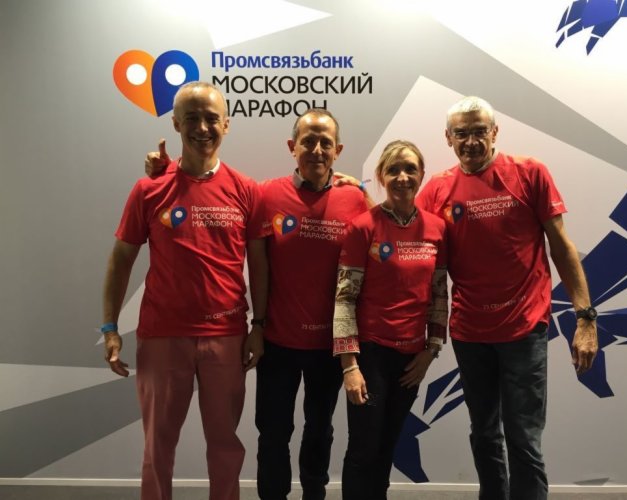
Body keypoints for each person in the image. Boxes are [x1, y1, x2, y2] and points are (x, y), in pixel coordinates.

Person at [144, 108, 370, 500]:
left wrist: (366, 191)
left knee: (320, 430)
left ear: (338, 150)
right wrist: (164, 172)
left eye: (326, 143)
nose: (317, 150)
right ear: (292, 146)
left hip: (329, 346)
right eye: (308, 141)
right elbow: (203, 187)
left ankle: (314, 494)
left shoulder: (355, 199)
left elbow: (376, 246)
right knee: (273, 432)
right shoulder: (265, 194)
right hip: (277, 342)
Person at [416, 96, 599, 500]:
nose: (471, 141)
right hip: (470, 332)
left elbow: (562, 247)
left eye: (479, 131)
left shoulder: (530, 173)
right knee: (483, 433)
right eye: (461, 133)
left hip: (524, 328)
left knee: (523, 437)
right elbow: (404, 233)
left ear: (495, 132)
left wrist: (585, 318)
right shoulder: (437, 190)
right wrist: (356, 196)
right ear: (448, 138)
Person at [101, 81, 268, 500]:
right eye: (191, 118)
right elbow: (121, 260)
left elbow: (260, 264)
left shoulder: (247, 190)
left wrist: (259, 326)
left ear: (226, 124)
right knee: (158, 448)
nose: (202, 127)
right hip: (163, 335)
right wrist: (110, 327)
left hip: (226, 336)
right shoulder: (149, 188)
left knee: (225, 447)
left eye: (211, 118)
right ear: (176, 124)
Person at [333, 140, 448, 500]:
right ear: (381, 176)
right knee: (364, 448)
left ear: (421, 175)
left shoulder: (437, 229)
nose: (402, 177)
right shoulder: (362, 227)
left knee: (386, 448)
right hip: (371, 356)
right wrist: (350, 366)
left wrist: (431, 350)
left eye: (410, 169)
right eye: (393, 169)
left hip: (412, 359)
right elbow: (344, 298)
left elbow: (439, 295)